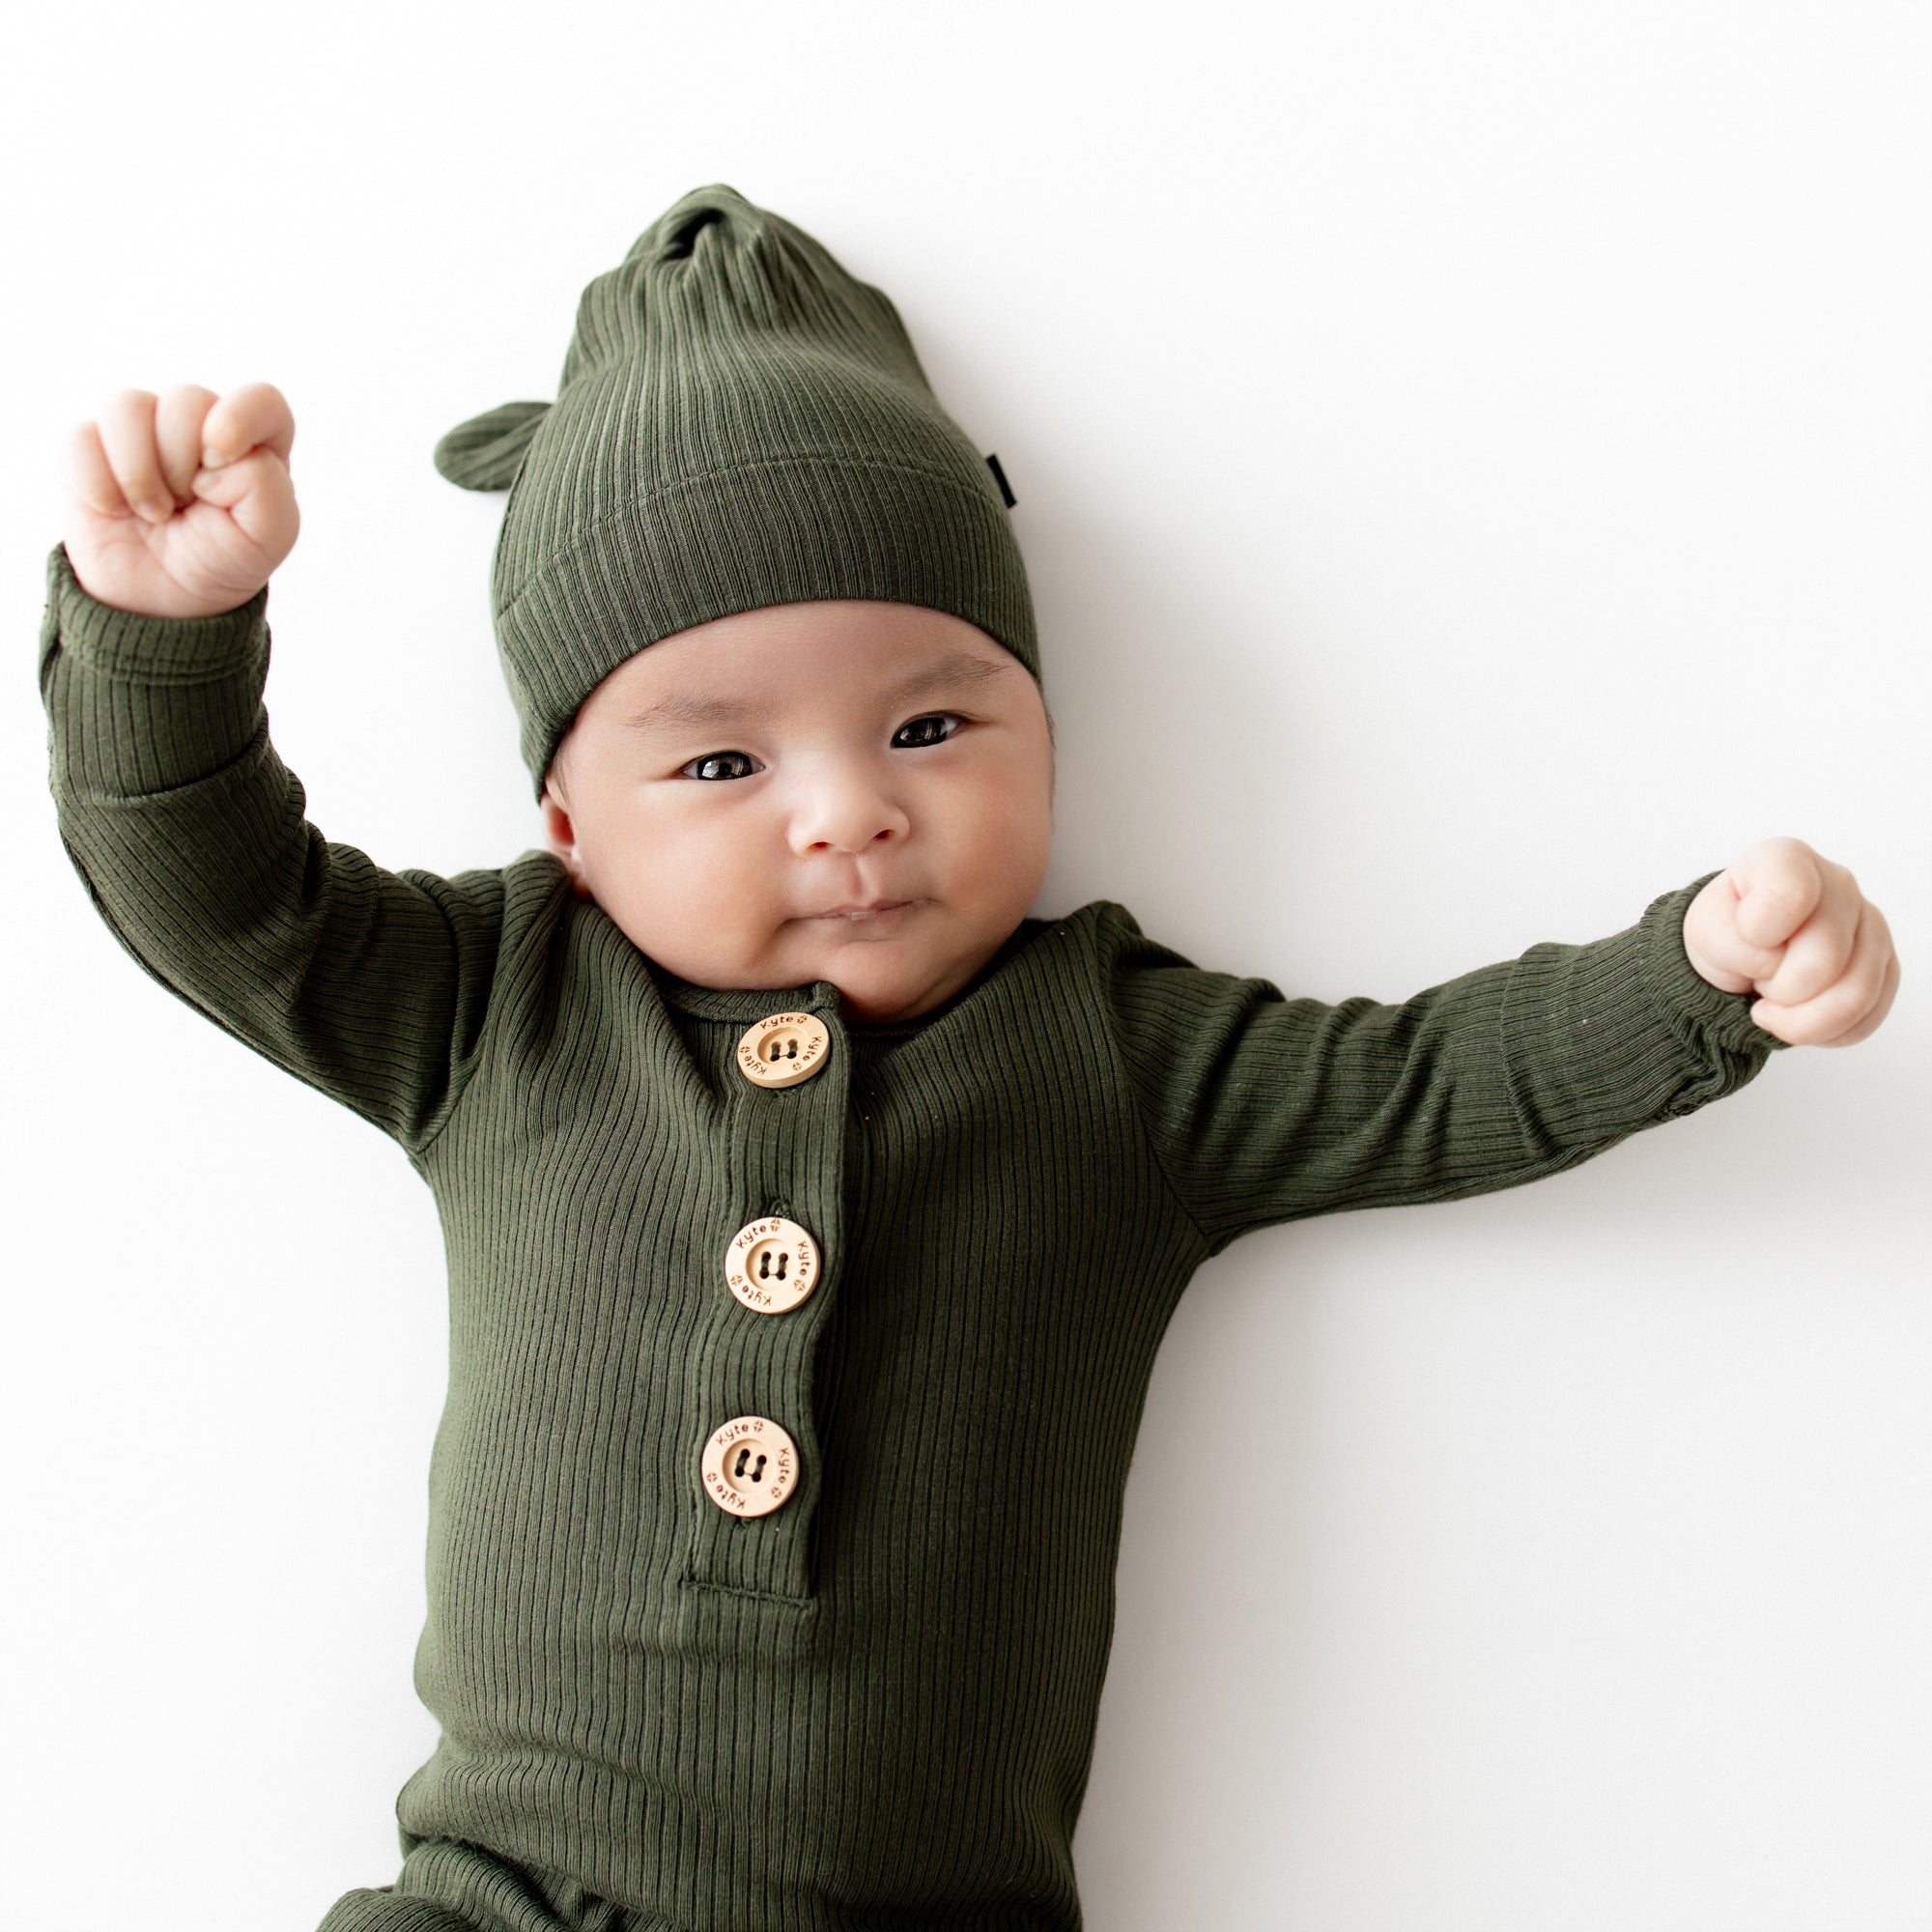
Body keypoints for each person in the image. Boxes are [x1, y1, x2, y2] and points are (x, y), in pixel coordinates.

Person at [40, 183, 1898, 1932]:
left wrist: (1695, 976)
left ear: (1048, 738)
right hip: (507, 1899)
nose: (850, 816)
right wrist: (164, 636)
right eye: (719, 764)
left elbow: (1431, 1077)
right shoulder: (489, 1005)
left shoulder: (1118, 1059)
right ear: (568, 824)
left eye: (932, 721)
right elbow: (212, 894)